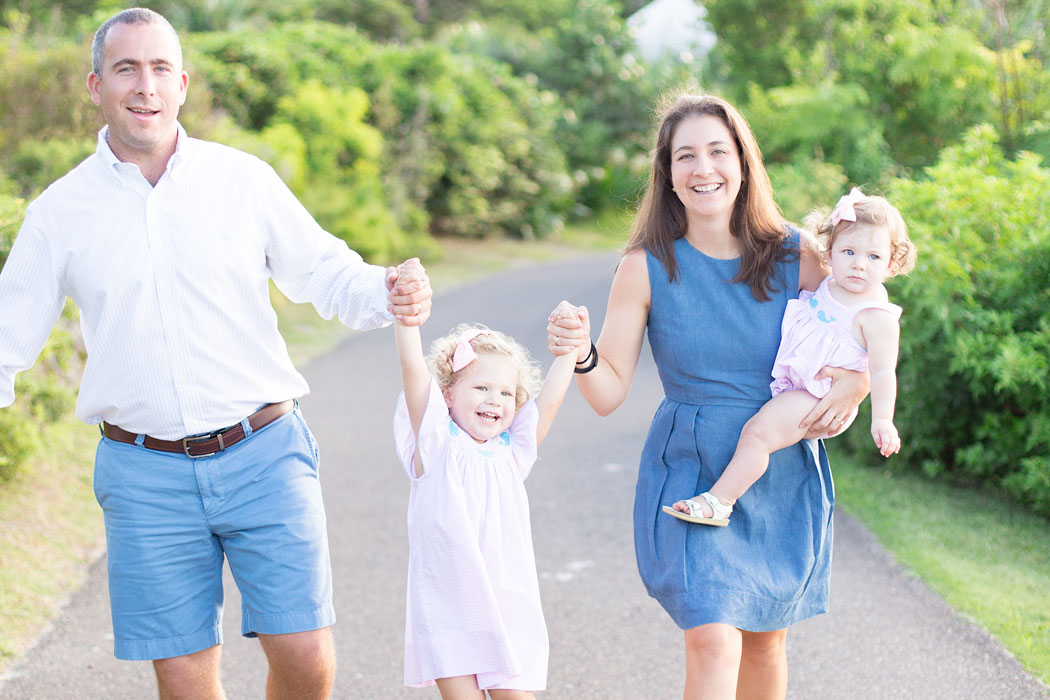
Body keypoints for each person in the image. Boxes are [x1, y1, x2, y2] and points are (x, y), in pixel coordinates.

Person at [0, 8, 431, 699]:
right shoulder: (60, 213)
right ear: (95, 85)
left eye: (160, 68)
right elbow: (5, 337)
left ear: (182, 84)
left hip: (264, 450)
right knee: (185, 679)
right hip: (144, 473)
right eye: (126, 69)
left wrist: (388, 288)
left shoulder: (242, 180)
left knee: (307, 657)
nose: (145, 85)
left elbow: (323, 271)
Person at [546, 93, 870, 700]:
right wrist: (580, 352)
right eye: (685, 156)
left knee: (766, 640)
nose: (704, 169)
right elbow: (607, 392)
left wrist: (861, 382)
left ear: (743, 163)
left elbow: (864, 326)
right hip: (692, 466)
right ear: (668, 176)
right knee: (713, 636)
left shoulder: (798, 254)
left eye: (718, 151)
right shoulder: (644, 266)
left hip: (778, 465)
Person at [665, 188, 917, 526]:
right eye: (849, 251)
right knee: (758, 431)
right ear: (829, 251)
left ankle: (719, 501)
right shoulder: (829, 286)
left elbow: (884, 371)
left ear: (891, 263)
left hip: (818, 394)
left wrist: (882, 420)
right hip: (801, 385)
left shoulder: (876, 316)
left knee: (757, 434)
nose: (859, 264)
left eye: (874, 257)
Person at [391, 259, 577, 699]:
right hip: (450, 604)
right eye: (481, 388)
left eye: (506, 393)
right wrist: (406, 316)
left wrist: (569, 351)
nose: (495, 399)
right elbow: (413, 371)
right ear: (449, 394)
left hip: (508, 601)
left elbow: (548, 404)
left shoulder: (511, 453)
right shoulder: (436, 443)